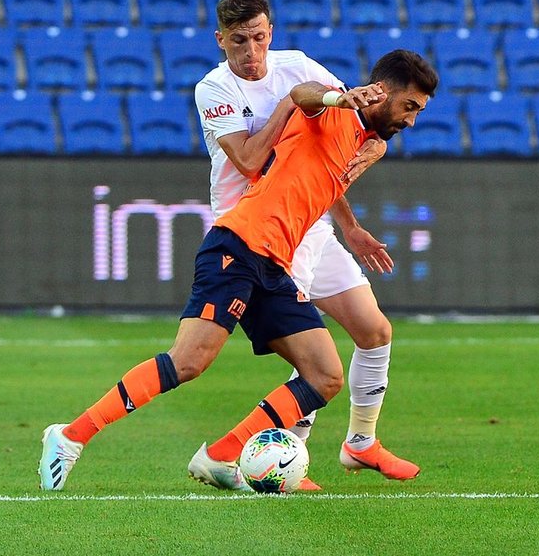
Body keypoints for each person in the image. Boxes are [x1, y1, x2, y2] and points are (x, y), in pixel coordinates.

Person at [38, 49, 437, 492]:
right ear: (380, 92)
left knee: (325, 376)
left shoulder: (363, 141)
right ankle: (70, 436)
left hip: (274, 265)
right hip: (238, 247)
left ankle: (222, 456)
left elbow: (327, 172)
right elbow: (301, 94)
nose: (411, 120)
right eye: (409, 107)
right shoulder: (333, 111)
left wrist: (359, 201)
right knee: (189, 361)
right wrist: (337, 98)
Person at [190, 0, 427, 488]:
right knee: (312, 355)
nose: (252, 51)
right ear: (221, 40)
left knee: (374, 331)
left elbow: (338, 143)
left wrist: (351, 223)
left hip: (310, 224)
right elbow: (250, 162)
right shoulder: (214, 88)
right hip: (258, 229)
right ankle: (284, 459)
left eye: (259, 38)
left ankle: (360, 442)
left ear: (271, 32)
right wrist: (297, 104)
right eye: (240, 41)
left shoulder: (297, 65)